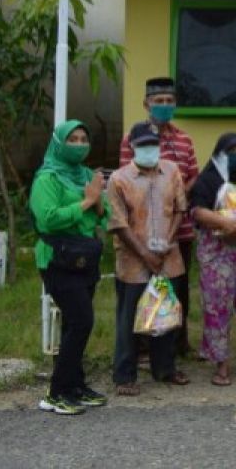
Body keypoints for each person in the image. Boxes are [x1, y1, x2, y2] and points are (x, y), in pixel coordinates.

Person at [118, 77, 200, 356]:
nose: (164, 106)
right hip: (142, 229)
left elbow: (193, 177)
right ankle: (142, 348)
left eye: (169, 101)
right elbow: (127, 182)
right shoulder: (133, 139)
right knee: (142, 289)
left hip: (180, 229)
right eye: (158, 101)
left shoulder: (184, 140)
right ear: (146, 104)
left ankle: (177, 345)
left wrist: (177, 191)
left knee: (177, 289)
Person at [31, 121, 108, 415]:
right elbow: (48, 218)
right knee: (81, 322)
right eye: (72, 139)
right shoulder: (46, 178)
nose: (79, 144)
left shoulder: (87, 175)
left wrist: (98, 203)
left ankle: (75, 385)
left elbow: (105, 216)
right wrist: (87, 202)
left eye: (83, 139)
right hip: (57, 259)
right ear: (59, 143)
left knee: (73, 325)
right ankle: (56, 393)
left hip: (85, 257)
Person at [107, 122, 190, 395]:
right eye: (142, 145)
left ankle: (165, 368)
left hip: (169, 256)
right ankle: (124, 375)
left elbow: (180, 208)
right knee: (129, 318)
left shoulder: (172, 171)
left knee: (165, 314)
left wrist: (167, 241)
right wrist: (145, 255)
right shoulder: (119, 179)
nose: (149, 149)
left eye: (153, 144)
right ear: (132, 147)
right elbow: (118, 223)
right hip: (133, 262)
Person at [189, 133, 236, 386]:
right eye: (230, 150)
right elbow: (197, 211)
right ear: (218, 153)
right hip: (217, 253)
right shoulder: (207, 180)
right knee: (217, 306)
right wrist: (223, 221)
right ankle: (220, 363)